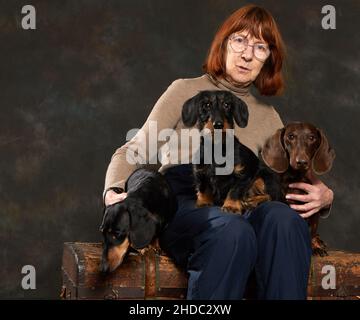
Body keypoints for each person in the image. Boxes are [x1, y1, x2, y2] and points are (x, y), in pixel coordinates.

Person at [103, 5, 334, 299]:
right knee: (231, 230)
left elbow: (287, 178)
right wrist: (113, 191)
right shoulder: (183, 90)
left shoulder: (269, 116)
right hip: (188, 200)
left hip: (244, 201)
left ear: (268, 59)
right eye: (239, 40)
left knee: (284, 221)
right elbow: (132, 151)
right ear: (223, 44)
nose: (247, 54)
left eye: (260, 47)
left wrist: (325, 198)